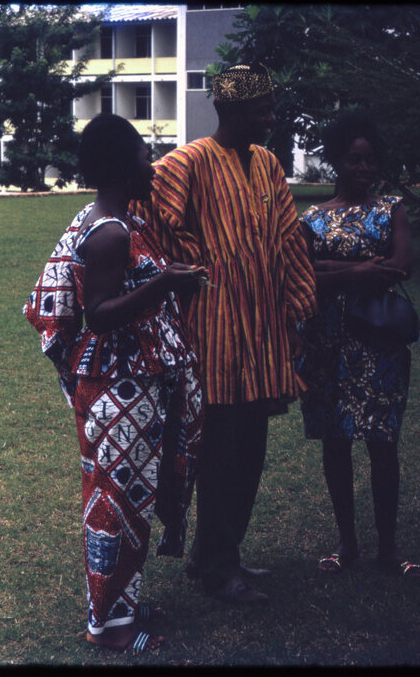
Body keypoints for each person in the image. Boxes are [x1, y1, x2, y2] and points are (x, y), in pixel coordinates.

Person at [130, 64, 318, 604]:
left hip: (262, 333)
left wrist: (297, 306)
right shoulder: (187, 162)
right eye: (263, 110)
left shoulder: (268, 163)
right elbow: (145, 212)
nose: (271, 119)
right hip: (212, 333)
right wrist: (191, 265)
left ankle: (218, 552)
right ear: (232, 110)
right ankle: (218, 568)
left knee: (251, 450)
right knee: (218, 453)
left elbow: (288, 238)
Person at [24, 113, 207, 653]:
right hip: (118, 385)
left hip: (130, 383)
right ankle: (109, 628)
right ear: (124, 168)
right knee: (115, 506)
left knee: (130, 499)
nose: (153, 166)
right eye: (145, 156)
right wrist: (164, 283)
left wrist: (166, 281)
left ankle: (119, 606)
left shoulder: (118, 219)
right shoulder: (110, 233)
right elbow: (100, 314)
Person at [296, 111, 420, 580]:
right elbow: (300, 275)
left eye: (370, 160)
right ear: (335, 161)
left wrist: (330, 269)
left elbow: (401, 266)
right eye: (354, 160)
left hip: (377, 342)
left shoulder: (391, 208)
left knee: (382, 442)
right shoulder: (312, 218)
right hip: (326, 342)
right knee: (336, 443)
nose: (364, 168)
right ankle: (346, 542)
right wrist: (360, 270)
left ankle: (388, 548)